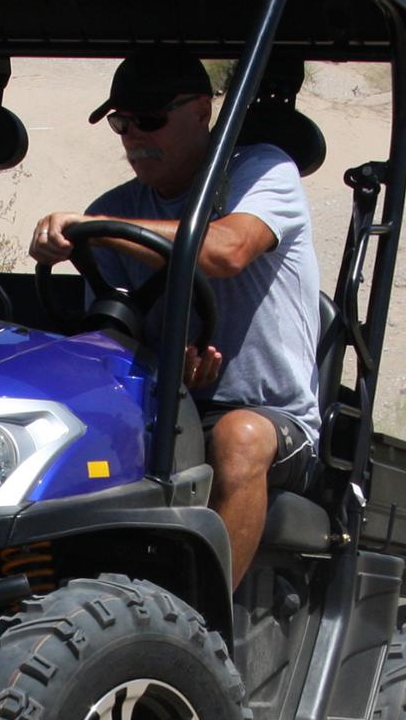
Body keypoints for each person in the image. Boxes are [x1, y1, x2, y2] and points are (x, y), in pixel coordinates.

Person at [28, 51, 322, 591]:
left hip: (270, 416)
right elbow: (110, 340)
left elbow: (228, 251)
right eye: (122, 123)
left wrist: (96, 225)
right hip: (168, 406)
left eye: (151, 120)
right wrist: (167, 370)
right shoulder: (117, 207)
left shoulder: (261, 172)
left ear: (201, 112)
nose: (135, 137)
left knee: (239, 439)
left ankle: (203, 636)